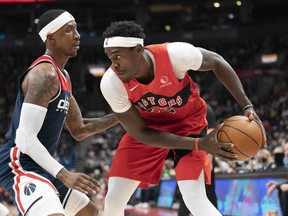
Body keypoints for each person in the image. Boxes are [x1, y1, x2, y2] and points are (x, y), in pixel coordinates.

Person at [100, 20, 267, 216]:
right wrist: (198, 145)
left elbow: (217, 62)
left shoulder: (175, 55)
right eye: (110, 58)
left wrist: (247, 106)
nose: (114, 64)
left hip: (188, 124)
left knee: (195, 199)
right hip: (149, 130)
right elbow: (142, 133)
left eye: (118, 56)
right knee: (112, 201)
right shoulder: (111, 83)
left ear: (138, 49)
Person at [0, 9, 118, 216]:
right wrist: (64, 174)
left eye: (76, 29)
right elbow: (25, 138)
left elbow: (79, 129)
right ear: (51, 37)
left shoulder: (63, 75)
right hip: (20, 164)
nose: (77, 35)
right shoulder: (44, 75)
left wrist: (123, 115)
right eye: (69, 30)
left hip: (41, 166)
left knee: (92, 213)